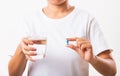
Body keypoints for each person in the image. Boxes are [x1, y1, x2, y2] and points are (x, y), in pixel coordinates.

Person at [8, 0, 117, 76]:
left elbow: (112, 71)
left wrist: (93, 59)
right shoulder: (29, 21)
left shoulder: (86, 20)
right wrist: (21, 50)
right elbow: (13, 74)